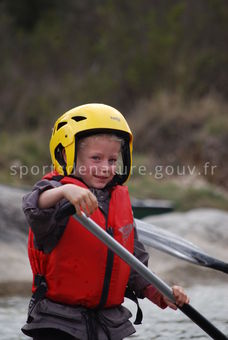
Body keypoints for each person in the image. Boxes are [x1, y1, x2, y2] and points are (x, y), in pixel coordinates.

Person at [22, 103, 189, 340]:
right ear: (67, 154)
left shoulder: (118, 201)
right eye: (96, 158)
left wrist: (162, 293)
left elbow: (134, 265)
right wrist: (65, 191)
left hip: (108, 324)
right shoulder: (54, 193)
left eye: (112, 160)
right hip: (58, 322)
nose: (105, 168)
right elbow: (32, 205)